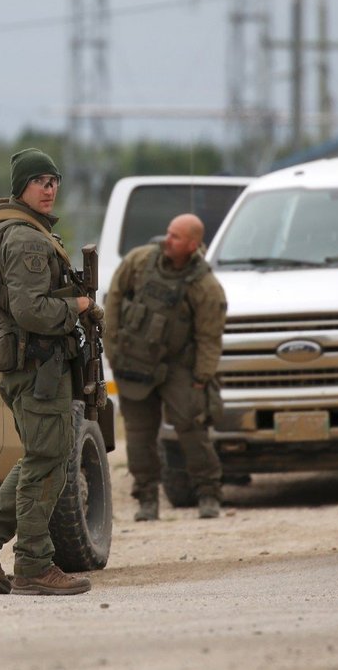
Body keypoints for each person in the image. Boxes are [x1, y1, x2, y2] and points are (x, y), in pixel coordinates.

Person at [0, 148, 96, 596]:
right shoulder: (28, 239)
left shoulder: (1, 229)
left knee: (43, 456)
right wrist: (79, 305)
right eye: (40, 182)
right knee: (46, 460)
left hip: (25, 362)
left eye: (54, 181)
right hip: (39, 364)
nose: (49, 189)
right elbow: (30, 309)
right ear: (22, 188)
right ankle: (32, 564)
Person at [104, 213, 227, 521]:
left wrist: (202, 378)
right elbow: (114, 302)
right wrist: (113, 351)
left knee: (191, 426)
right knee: (138, 434)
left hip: (178, 366)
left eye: (175, 236)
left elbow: (209, 336)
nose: (166, 239)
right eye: (168, 232)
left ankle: (208, 492)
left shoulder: (205, 285)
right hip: (134, 361)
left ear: (193, 244)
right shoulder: (140, 261)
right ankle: (146, 497)